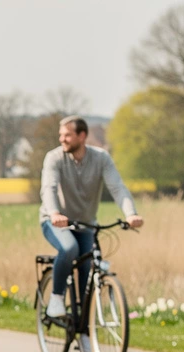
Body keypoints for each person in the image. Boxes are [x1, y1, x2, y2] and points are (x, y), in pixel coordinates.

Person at [40, 116, 144, 337]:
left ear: (82, 136)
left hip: (86, 224)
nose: (62, 139)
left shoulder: (101, 159)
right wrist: (55, 213)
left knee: (87, 275)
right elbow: (48, 188)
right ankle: (56, 299)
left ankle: (86, 334)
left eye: (67, 135)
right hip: (55, 221)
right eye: (60, 134)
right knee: (69, 249)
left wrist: (130, 214)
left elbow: (117, 188)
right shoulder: (54, 158)